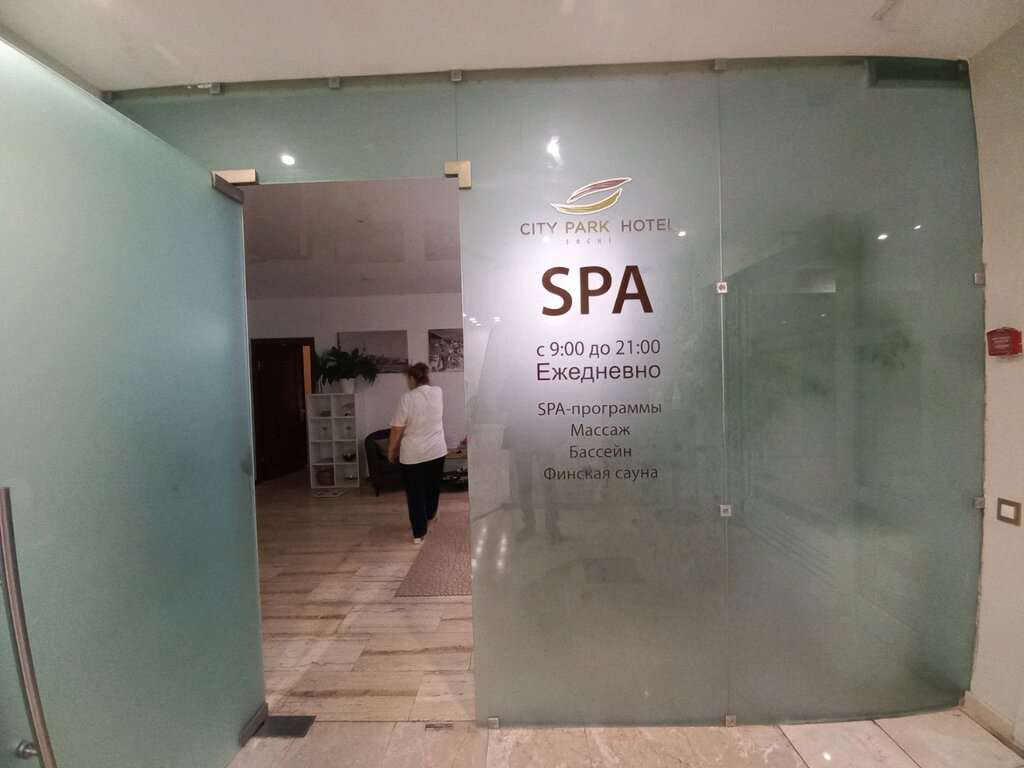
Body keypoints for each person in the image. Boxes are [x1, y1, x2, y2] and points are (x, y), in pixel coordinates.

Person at [388, 363, 448, 543]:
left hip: (413, 455)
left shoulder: (407, 398)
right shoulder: (438, 392)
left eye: (408, 379)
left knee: (415, 494)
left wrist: (391, 451)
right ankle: (430, 515)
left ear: (412, 378)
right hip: (437, 451)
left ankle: (419, 533)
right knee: (432, 488)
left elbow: (397, 429)